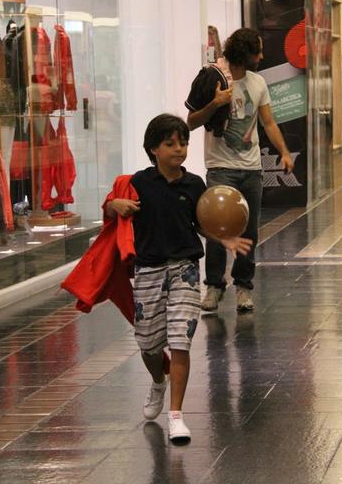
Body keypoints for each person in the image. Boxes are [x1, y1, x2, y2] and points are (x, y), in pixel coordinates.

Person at [105, 114, 251, 442]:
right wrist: (116, 203)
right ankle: (159, 381)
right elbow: (110, 208)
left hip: (184, 268)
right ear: (153, 148)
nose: (179, 149)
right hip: (148, 270)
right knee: (149, 344)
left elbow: (202, 222)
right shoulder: (139, 183)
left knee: (180, 339)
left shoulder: (194, 184)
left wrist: (224, 238)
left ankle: (176, 416)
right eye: (170, 144)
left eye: (183, 143)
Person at [185, 28, 294, 312]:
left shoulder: (258, 83)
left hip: (251, 170)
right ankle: (214, 287)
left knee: (249, 232)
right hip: (221, 168)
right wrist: (216, 103)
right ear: (245, 54)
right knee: (216, 230)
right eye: (257, 51)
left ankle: (243, 287)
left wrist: (283, 151)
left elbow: (268, 123)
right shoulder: (214, 79)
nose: (262, 55)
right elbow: (192, 121)